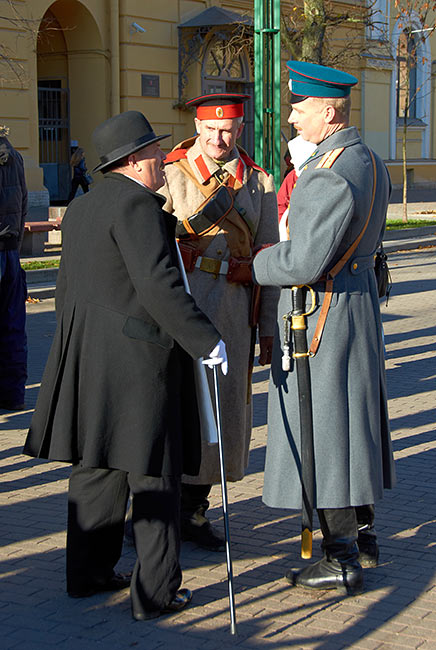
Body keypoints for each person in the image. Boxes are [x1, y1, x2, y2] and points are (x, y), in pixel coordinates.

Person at [23, 111, 226, 621]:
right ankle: (156, 594)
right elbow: (160, 285)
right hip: (138, 360)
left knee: (96, 467)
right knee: (153, 472)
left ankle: (87, 574)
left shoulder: (84, 206)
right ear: (134, 161)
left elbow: (67, 288)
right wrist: (205, 339)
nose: (163, 160)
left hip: (90, 355)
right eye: (156, 152)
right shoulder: (138, 206)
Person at [253, 61, 396, 595]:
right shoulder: (369, 159)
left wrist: (258, 262)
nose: (292, 118)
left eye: (300, 108)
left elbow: (304, 261)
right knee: (353, 426)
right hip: (354, 305)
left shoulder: (327, 171)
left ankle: (340, 557)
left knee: (330, 433)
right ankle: (362, 539)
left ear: (329, 113)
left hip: (323, 317)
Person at [160, 93, 279, 551]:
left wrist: (266, 327)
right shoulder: (172, 173)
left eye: (227, 130)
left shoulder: (259, 182)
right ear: (197, 125)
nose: (218, 138)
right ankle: (158, 510)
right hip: (183, 308)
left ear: (240, 128)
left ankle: (195, 509)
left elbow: (268, 258)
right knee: (177, 407)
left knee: (223, 412)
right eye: (209, 129)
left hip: (232, 312)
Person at [0, 125, 28, 411]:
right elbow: (24, 203)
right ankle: (13, 395)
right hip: (9, 248)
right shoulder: (13, 154)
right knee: (12, 327)